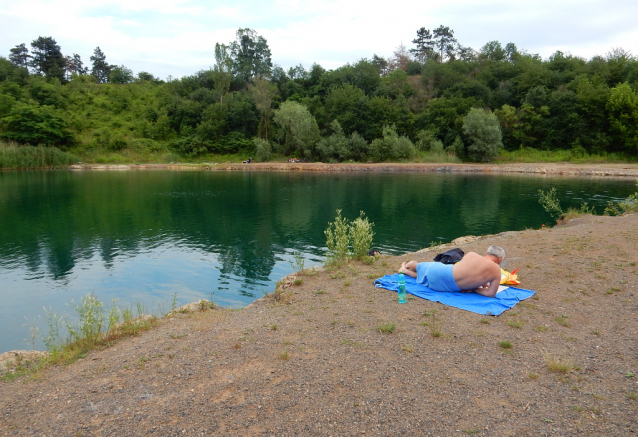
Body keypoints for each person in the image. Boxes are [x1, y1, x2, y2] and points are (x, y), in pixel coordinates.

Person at [398, 245, 505, 297]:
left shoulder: (472, 254)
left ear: (487, 253)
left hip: (440, 273)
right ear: (499, 259)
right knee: (428, 276)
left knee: (421, 267)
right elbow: (491, 294)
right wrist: (474, 289)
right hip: (441, 287)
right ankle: (405, 271)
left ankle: (409, 265)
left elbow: (463, 271)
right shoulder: (497, 271)